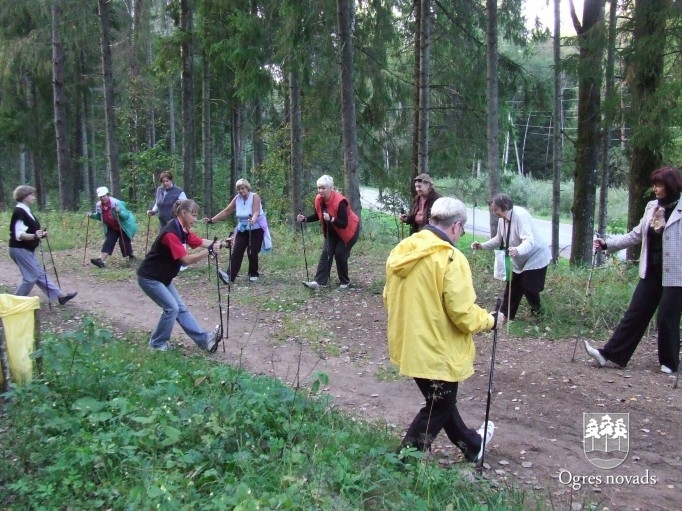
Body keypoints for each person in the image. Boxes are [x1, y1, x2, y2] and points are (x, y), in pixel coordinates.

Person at [384, 197, 504, 461]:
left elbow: (388, 296)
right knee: (439, 406)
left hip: (409, 342)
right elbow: (463, 314)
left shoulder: (403, 249)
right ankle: (404, 461)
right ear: (456, 226)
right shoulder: (450, 258)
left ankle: (473, 446)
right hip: (437, 349)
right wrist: (492, 320)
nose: (460, 234)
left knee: (442, 403)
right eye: (462, 230)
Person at [585, 166, 682, 374]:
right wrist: (607, 244)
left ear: (671, 186)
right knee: (635, 313)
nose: (655, 189)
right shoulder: (652, 207)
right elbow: (635, 235)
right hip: (651, 271)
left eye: (659, 185)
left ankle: (670, 362)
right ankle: (610, 354)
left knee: (666, 316)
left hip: (676, 274)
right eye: (654, 185)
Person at [137, 199, 223, 352]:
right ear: (184, 213)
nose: (195, 220)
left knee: (180, 308)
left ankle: (204, 341)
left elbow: (199, 241)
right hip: (149, 277)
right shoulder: (171, 233)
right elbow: (186, 259)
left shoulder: (182, 229)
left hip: (163, 278)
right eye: (194, 215)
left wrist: (222, 244)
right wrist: (209, 252)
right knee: (171, 308)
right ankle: (156, 344)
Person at [471, 193, 551, 320]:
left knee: (528, 284)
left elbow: (529, 240)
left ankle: (538, 313)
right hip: (519, 257)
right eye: (493, 209)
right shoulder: (502, 219)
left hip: (536, 255)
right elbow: (498, 239)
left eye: (496, 209)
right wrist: (481, 245)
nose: (494, 212)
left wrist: (517, 250)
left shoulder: (520, 216)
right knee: (513, 285)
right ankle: (506, 315)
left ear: (505, 206)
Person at [8, 185, 77, 305]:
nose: (34, 197)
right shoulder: (19, 211)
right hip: (20, 249)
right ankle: (12, 303)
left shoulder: (25, 210)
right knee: (31, 277)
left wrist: (40, 234)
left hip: (25, 249)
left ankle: (60, 296)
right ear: (24, 197)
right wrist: (34, 236)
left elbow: (30, 231)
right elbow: (19, 235)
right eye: (32, 195)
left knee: (39, 274)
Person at [296, 174, 360, 290]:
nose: (320, 190)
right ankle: (319, 282)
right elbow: (317, 215)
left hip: (349, 229)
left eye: (323, 188)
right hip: (332, 230)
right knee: (326, 252)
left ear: (331, 188)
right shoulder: (318, 200)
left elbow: (344, 223)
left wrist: (331, 219)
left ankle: (345, 282)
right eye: (319, 188)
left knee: (340, 253)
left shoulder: (340, 202)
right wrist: (305, 219)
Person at [205, 178, 264, 283]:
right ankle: (229, 276)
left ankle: (253, 274)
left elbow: (256, 212)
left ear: (247, 188)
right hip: (242, 229)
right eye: (238, 189)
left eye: (242, 188)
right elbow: (226, 212)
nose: (241, 191)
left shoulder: (255, 197)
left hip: (255, 229)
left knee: (252, 252)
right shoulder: (237, 199)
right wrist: (211, 220)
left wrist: (253, 220)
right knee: (236, 251)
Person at [88, 186, 138, 268]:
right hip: (112, 227)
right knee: (108, 241)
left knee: (124, 243)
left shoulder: (116, 203)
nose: (103, 198)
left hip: (124, 226)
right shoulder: (99, 205)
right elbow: (100, 216)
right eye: (101, 197)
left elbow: (126, 216)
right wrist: (92, 216)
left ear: (108, 195)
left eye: (104, 196)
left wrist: (119, 211)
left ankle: (131, 256)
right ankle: (101, 261)